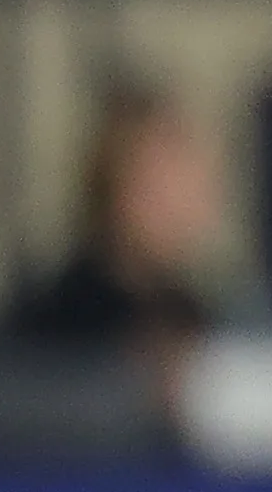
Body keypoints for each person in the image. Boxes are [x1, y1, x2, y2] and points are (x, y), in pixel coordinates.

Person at [12, 87, 227, 372]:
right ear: (121, 188)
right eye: (161, 187)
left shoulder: (198, 316)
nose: (192, 203)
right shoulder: (56, 321)